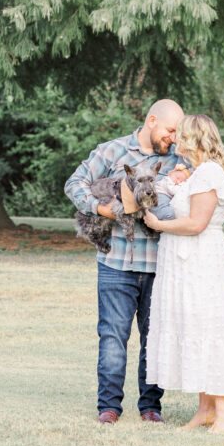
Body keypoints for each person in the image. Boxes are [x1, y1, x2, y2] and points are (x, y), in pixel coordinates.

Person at [65, 99, 188, 424]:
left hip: (162, 266)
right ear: (151, 121)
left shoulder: (180, 159)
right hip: (116, 264)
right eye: (170, 130)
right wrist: (100, 208)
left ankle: (151, 407)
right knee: (112, 336)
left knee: (155, 338)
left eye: (178, 133)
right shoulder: (111, 151)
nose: (174, 138)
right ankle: (109, 408)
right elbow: (74, 184)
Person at [143, 114, 224, 433]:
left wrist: (159, 225)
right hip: (184, 265)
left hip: (201, 263)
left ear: (193, 138)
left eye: (181, 135)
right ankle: (206, 410)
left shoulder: (209, 173)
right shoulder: (196, 174)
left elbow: (196, 223)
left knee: (209, 329)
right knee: (193, 329)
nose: (174, 139)